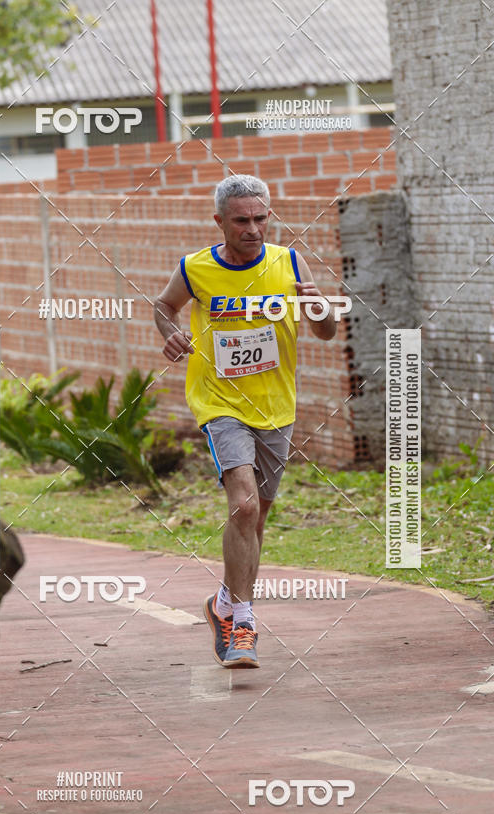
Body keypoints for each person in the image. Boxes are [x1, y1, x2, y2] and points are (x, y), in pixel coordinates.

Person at [154, 174, 336, 669]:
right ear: (220, 222)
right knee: (243, 506)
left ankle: (223, 604)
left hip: (276, 407)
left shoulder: (289, 263)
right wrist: (170, 333)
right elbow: (164, 306)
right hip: (220, 404)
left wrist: (318, 306)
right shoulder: (195, 269)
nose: (254, 228)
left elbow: (325, 331)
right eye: (242, 220)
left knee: (257, 517)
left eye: (261, 218)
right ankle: (243, 622)